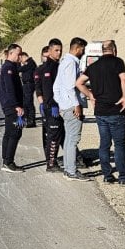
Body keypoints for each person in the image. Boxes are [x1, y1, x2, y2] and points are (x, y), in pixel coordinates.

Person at [75, 40, 125, 185]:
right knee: (119, 145)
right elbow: (124, 78)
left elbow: (79, 83)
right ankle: (123, 177)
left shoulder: (93, 66)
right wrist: (124, 97)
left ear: (102, 51)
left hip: (100, 111)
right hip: (116, 109)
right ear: (114, 50)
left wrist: (90, 95)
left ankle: (107, 175)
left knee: (104, 144)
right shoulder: (117, 62)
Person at [54, 37, 89, 182]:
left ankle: (69, 170)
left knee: (69, 139)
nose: (84, 52)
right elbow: (70, 87)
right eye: (83, 49)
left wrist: (61, 103)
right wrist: (75, 105)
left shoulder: (64, 62)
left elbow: (56, 87)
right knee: (73, 139)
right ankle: (72, 171)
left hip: (66, 106)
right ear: (77, 48)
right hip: (71, 107)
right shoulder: (70, 63)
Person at [0, 43, 25, 172]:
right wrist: (16, 106)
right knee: (14, 133)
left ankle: (6, 161)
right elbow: (10, 89)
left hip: (10, 105)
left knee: (9, 133)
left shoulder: (11, 67)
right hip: (12, 106)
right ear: (11, 53)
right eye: (18, 54)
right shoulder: (8, 68)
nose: (20, 57)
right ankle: (9, 162)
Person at [36, 40, 62, 172]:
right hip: (51, 106)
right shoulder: (48, 67)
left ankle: (74, 158)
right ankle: (51, 164)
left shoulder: (57, 65)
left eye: (60, 50)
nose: (59, 53)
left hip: (54, 105)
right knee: (53, 135)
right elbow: (47, 89)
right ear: (50, 50)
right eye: (56, 50)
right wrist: (52, 104)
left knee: (59, 134)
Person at [19, 51, 38, 128]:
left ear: (23, 56)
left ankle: (31, 120)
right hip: (26, 84)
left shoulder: (30, 62)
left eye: (20, 59)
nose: (21, 62)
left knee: (29, 102)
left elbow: (21, 69)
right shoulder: (28, 63)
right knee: (25, 102)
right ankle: (27, 118)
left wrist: (18, 66)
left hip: (29, 84)